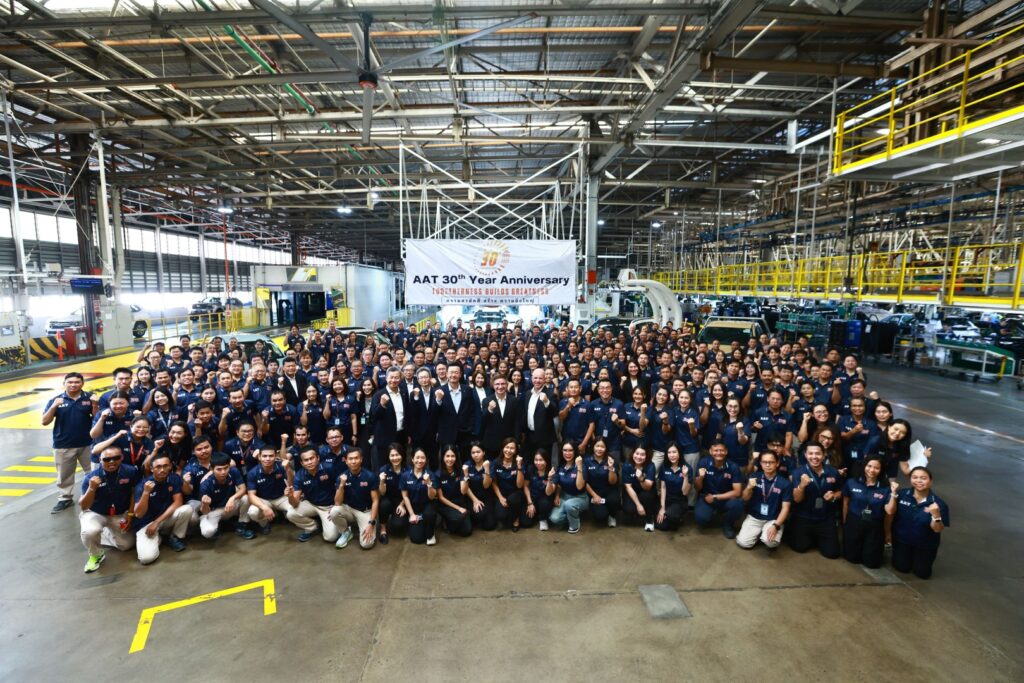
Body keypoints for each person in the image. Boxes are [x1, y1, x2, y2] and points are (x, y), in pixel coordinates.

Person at [78, 445, 140, 572]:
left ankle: (105, 533)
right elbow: (84, 506)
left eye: (116, 458)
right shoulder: (91, 478)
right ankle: (96, 555)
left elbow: (134, 493)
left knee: (126, 545)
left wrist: (130, 514)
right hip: (96, 512)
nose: (111, 462)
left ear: (122, 458)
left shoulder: (131, 472)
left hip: (119, 513)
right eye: (106, 459)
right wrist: (92, 488)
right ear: (100, 460)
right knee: (90, 532)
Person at [43, 372, 97, 513]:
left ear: (82, 383)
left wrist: (95, 404)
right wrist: (54, 406)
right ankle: (65, 498)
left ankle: (94, 496)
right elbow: (45, 421)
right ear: (64, 384)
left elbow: (97, 417)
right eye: (70, 382)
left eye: (77, 382)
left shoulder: (89, 398)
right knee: (64, 474)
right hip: (63, 444)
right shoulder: (56, 400)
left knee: (93, 472)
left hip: (88, 443)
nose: (73, 385)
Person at [886, 466, 950, 579]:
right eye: (915, 477)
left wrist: (936, 515)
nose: (919, 481)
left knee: (922, 574)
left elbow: (937, 529)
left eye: (923, 478)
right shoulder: (901, 494)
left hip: (925, 545)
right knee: (901, 568)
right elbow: (890, 512)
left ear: (931, 481)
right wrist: (888, 532)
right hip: (902, 540)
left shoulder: (939, 504)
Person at [133, 453, 191, 564]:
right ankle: (160, 538)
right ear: (151, 469)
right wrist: (146, 493)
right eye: (158, 467)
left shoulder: (174, 478)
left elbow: (178, 502)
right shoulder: (143, 485)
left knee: (186, 509)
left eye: (165, 466)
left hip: (163, 519)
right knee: (146, 559)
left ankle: (175, 537)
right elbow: (139, 514)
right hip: (146, 524)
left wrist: (157, 522)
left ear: (170, 466)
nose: (162, 470)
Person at [788, 441, 842, 558]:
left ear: (824, 455)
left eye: (818, 453)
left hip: (825, 518)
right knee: (800, 547)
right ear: (805, 455)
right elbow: (797, 499)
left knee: (832, 553)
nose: (814, 457)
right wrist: (802, 486)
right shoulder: (798, 473)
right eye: (810, 453)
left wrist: (834, 496)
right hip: (804, 516)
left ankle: (818, 537)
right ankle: (812, 536)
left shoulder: (833, 472)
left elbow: (840, 491)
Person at [736, 450, 792, 550]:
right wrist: (748, 488)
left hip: (773, 518)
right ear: (760, 463)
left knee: (770, 543)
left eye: (771, 462)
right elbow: (744, 498)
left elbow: (785, 508)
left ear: (777, 463)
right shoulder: (754, 477)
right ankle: (758, 533)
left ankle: (768, 532)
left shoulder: (785, 483)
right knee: (743, 543)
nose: (767, 465)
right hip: (755, 517)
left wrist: (776, 525)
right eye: (764, 462)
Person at [289, 447, 347, 543]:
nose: (309, 462)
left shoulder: (329, 467)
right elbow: (295, 503)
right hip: (311, 504)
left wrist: (336, 507)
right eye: (306, 460)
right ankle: (314, 527)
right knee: (291, 513)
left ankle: (331, 523)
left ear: (318, 458)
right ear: (302, 463)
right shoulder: (299, 475)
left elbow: (341, 488)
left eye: (311, 458)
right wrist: (290, 496)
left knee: (330, 538)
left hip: (329, 507)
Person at [842, 455, 890, 568]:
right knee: (852, 558)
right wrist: (845, 522)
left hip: (875, 524)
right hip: (854, 521)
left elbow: (889, 513)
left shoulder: (886, 488)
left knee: (872, 563)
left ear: (881, 470)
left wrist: (887, 531)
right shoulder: (851, 482)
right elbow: (845, 503)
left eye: (876, 468)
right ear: (864, 466)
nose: (872, 470)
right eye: (869, 466)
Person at [329, 448, 380, 550]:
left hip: (365, 511)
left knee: (366, 544)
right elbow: (337, 502)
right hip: (349, 509)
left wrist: (371, 523)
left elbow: (375, 501)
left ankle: (364, 524)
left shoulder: (370, 476)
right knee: (334, 510)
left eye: (356, 458)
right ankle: (346, 532)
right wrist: (342, 485)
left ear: (361, 459)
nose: (353, 461)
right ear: (346, 461)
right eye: (350, 459)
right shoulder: (341, 477)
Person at [694, 441, 744, 538]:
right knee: (701, 519)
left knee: (738, 504)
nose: (719, 453)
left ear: (726, 451)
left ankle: (728, 524)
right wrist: (700, 478)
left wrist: (715, 497)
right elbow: (697, 488)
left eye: (721, 450)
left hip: (725, 499)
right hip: (707, 498)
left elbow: (737, 492)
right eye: (716, 450)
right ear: (710, 451)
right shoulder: (703, 463)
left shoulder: (733, 467)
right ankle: (713, 514)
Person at [197, 454, 254, 540]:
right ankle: (213, 523)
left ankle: (242, 525)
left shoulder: (233, 471)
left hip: (230, 505)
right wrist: (205, 504)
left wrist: (232, 498)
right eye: (219, 469)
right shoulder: (205, 484)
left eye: (226, 468)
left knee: (246, 498)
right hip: (214, 511)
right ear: (212, 469)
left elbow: (243, 489)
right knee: (208, 532)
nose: (223, 472)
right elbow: (204, 511)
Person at [245, 447, 292, 535]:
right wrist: (264, 507)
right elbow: (251, 495)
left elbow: (291, 485)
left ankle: (282, 514)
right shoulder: (252, 473)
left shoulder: (282, 466)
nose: (267, 459)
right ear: (259, 457)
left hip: (282, 497)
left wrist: (288, 470)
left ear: (275, 456)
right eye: (264, 456)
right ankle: (264, 524)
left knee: (296, 511)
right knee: (253, 512)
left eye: (271, 456)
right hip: (264, 500)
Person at [399, 447, 437, 545]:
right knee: (417, 539)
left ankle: (431, 532)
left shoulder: (431, 474)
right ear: (412, 459)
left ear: (426, 459)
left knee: (430, 515)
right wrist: (412, 514)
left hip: (427, 505)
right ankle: (420, 521)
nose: (420, 461)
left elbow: (432, 497)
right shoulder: (405, 475)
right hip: (413, 507)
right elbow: (405, 496)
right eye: (417, 458)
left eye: (423, 458)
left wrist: (429, 483)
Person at [549, 442, 588, 533]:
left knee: (569, 505)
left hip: (580, 497)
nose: (567, 453)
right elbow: (558, 485)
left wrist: (579, 467)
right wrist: (557, 495)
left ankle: (574, 525)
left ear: (575, 452)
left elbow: (579, 486)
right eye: (565, 450)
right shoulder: (561, 466)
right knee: (554, 518)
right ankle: (573, 514)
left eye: (570, 450)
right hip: (565, 497)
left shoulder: (581, 465)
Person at [434, 445, 472, 537]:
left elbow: (463, 492)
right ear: (443, 457)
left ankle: (454, 521)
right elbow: (441, 498)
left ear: (456, 457)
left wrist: (466, 476)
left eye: (452, 456)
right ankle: (445, 520)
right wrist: (458, 508)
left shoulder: (460, 470)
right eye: (447, 456)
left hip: (459, 501)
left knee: (467, 531)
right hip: (445, 505)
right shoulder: (438, 474)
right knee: (456, 521)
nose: (450, 459)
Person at [490, 438, 526, 531]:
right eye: (506, 447)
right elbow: (493, 482)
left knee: (513, 500)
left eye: (512, 448)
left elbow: (519, 485)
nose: (508, 450)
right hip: (501, 493)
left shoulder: (519, 463)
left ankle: (516, 518)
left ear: (516, 451)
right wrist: (500, 497)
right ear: (502, 448)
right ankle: (510, 514)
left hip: (515, 493)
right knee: (500, 516)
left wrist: (519, 466)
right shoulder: (496, 462)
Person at [377, 443, 409, 544]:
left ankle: (404, 518)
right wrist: (382, 481)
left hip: (403, 500)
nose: (395, 458)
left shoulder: (408, 470)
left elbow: (410, 492)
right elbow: (382, 493)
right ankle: (383, 529)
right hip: (388, 499)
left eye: (397, 455)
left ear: (402, 455)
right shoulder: (384, 470)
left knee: (398, 526)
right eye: (392, 455)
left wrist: (402, 504)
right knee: (384, 504)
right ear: (388, 456)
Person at [583, 438, 619, 527]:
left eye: (602, 447)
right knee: (600, 516)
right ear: (593, 447)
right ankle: (603, 508)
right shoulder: (587, 460)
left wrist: (611, 468)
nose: (599, 449)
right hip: (594, 491)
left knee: (614, 500)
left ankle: (612, 516)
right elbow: (585, 482)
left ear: (606, 448)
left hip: (609, 489)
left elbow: (613, 482)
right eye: (597, 446)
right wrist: (594, 495)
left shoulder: (610, 459)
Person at [655, 444, 691, 532]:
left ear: (679, 453)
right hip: (667, 499)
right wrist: (662, 508)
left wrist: (685, 476)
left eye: (674, 452)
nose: (672, 455)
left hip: (679, 501)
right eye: (669, 452)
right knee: (660, 525)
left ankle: (678, 518)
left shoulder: (686, 468)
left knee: (671, 516)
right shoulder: (664, 467)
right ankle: (670, 517)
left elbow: (685, 492)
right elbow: (663, 488)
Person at [622, 446, 658, 531]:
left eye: (642, 454)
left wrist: (641, 479)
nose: (639, 457)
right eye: (637, 453)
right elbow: (628, 487)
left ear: (647, 456)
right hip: (632, 491)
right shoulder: (627, 465)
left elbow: (648, 487)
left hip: (646, 491)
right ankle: (639, 514)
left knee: (646, 497)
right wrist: (638, 505)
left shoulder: (650, 465)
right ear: (633, 453)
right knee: (629, 509)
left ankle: (649, 520)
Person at [463, 442, 496, 531]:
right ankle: (471, 515)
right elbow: (466, 487)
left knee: (490, 525)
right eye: (473, 453)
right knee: (480, 514)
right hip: (472, 497)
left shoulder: (490, 464)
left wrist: (486, 469)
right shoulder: (467, 465)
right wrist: (475, 500)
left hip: (486, 496)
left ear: (483, 452)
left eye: (478, 452)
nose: (476, 455)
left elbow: (486, 485)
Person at [521, 449, 556, 531]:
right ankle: (536, 514)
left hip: (545, 498)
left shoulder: (552, 471)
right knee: (526, 523)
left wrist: (549, 479)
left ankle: (543, 519)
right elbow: (525, 486)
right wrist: (530, 503)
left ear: (546, 461)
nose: (538, 463)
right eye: (536, 460)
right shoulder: (530, 468)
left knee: (544, 504)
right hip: (532, 497)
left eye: (541, 460)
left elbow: (549, 493)